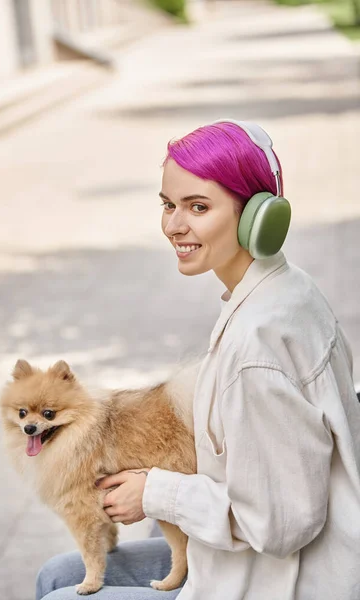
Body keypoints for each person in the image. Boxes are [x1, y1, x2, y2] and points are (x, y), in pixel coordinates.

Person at [36, 120, 360, 600]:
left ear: (258, 215)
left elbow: (281, 524)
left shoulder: (257, 345)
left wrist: (155, 492)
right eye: (168, 204)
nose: (173, 225)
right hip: (247, 563)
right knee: (59, 575)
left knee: (61, 593)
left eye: (198, 207)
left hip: (276, 582)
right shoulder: (279, 290)